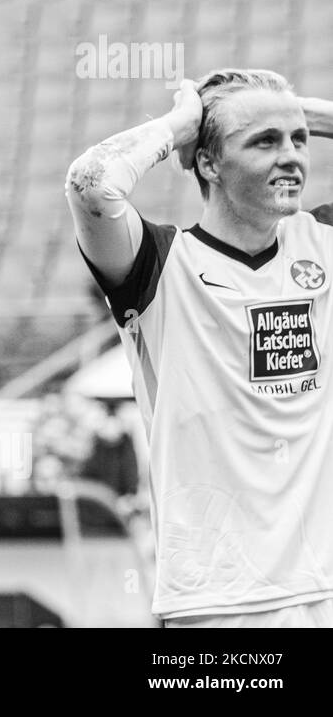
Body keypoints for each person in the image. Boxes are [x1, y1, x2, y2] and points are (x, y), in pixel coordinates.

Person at [66, 69, 333, 627]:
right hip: (214, 606)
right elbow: (89, 185)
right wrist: (180, 125)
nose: (291, 157)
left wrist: (291, 111)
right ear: (208, 163)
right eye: (265, 141)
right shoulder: (159, 266)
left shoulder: (322, 242)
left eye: (299, 140)